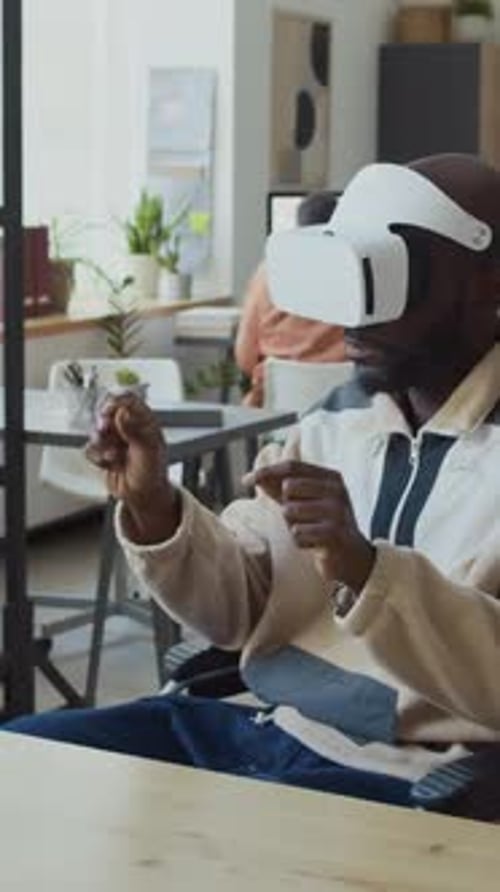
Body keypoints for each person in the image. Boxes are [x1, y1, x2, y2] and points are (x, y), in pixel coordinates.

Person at [5, 154, 500, 815]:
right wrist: (156, 509)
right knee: (18, 768)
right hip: (258, 725)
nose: (351, 316)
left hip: (400, 774)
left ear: (485, 285)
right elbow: (237, 609)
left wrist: (369, 569)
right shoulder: (338, 420)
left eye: (388, 276)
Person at [235, 190, 346, 406]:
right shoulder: (355, 275)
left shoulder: (267, 273)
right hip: (345, 414)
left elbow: (245, 358)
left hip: (279, 415)